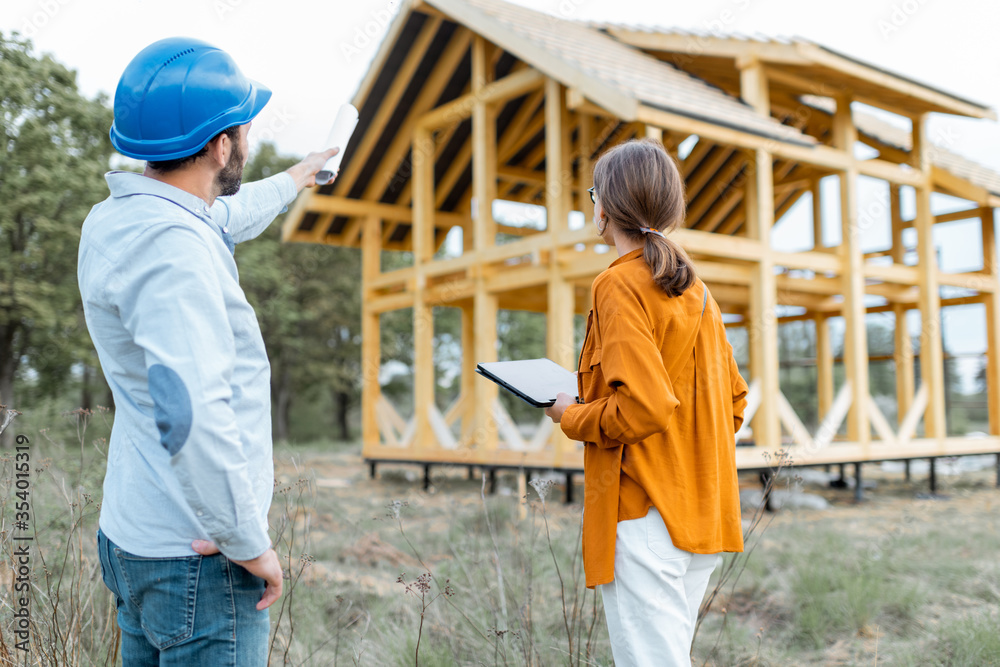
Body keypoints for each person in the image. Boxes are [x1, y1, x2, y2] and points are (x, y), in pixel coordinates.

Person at [78, 37, 340, 666]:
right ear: (223, 145)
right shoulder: (176, 253)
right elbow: (190, 408)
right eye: (243, 128)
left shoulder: (123, 219)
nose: (244, 140)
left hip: (136, 536)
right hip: (198, 559)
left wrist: (302, 173)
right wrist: (247, 542)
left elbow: (225, 213)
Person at [544, 138, 748, 666]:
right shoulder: (696, 290)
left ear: (605, 207)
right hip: (701, 512)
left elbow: (645, 408)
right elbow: (733, 403)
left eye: (593, 194)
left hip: (645, 515)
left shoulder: (617, 284)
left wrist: (571, 414)